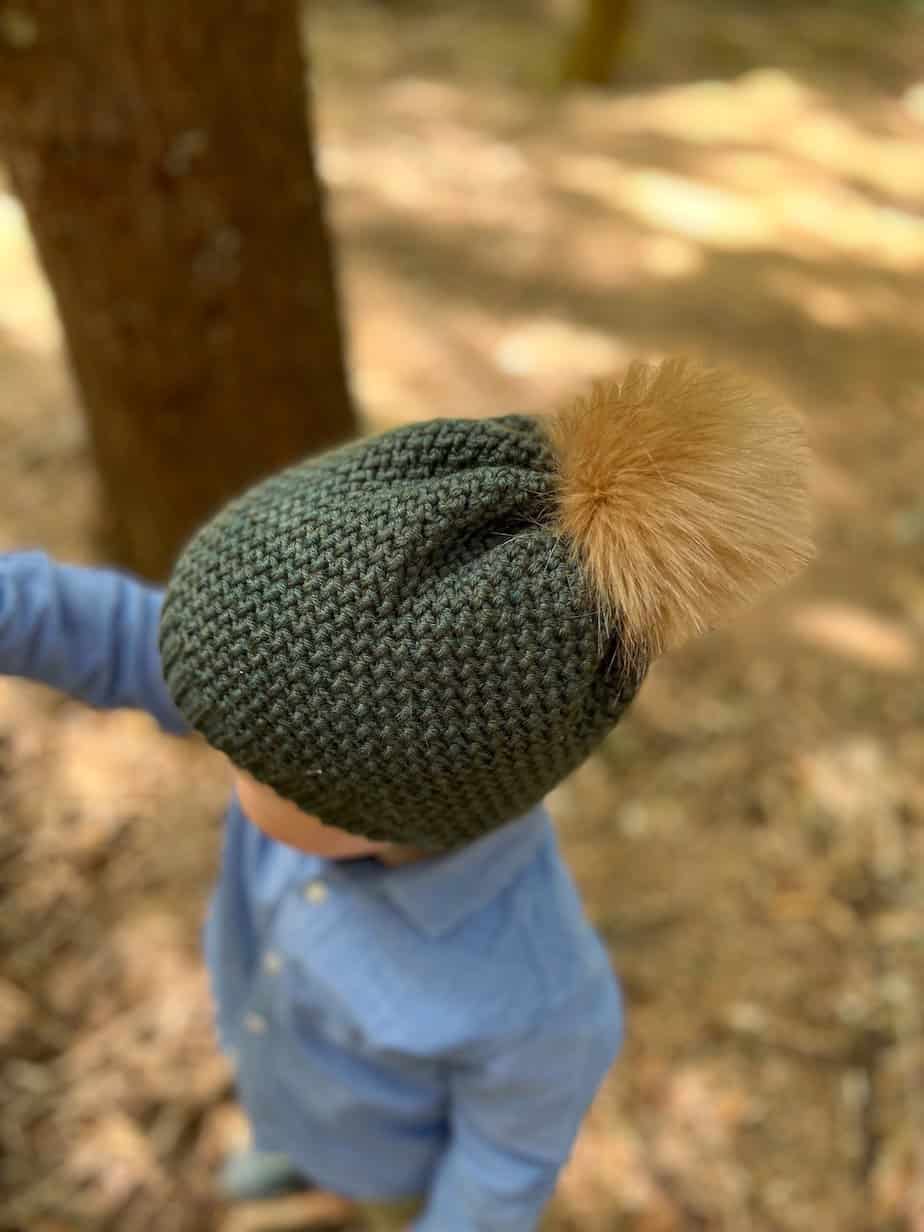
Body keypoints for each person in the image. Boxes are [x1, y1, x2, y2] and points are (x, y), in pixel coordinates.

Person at [0, 359, 812, 1230]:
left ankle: (341, 1182)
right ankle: (288, 1151)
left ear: (377, 808)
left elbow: (500, 1169)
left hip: (395, 1165)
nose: (206, 730)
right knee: (282, 1126)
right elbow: (117, 634)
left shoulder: (538, 1001)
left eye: (249, 758)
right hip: (276, 1057)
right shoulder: (291, 718)